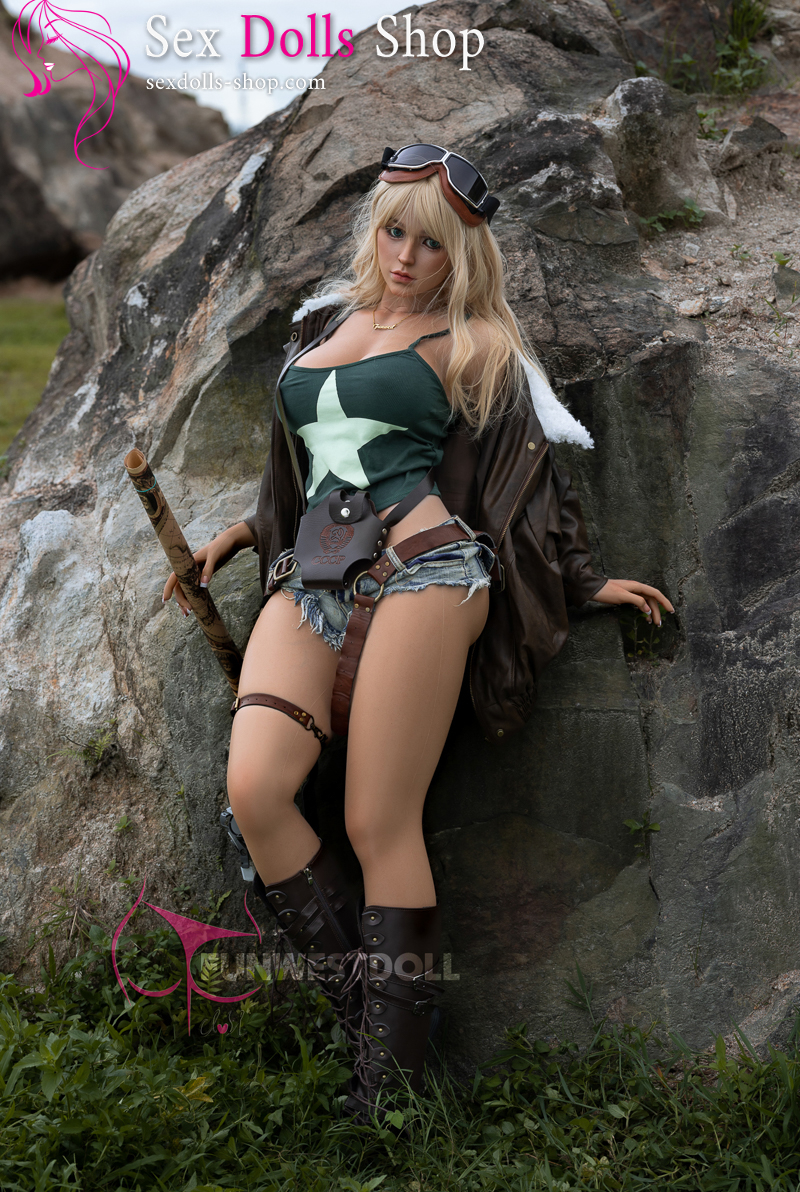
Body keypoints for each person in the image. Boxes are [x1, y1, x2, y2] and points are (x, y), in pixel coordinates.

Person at [162, 144, 673, 1118]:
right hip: (311, 572)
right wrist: (244, 532)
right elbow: (302, 461)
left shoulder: (475, 344)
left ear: (461, 254)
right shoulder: (323, 322)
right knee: (256, 790)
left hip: (427, 569)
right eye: (394, 231)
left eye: (430, 243)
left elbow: (529, 475)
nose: (405, 256)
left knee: (374, 820)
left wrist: (579, 579)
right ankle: (381, 1028)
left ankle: (387, 1091)